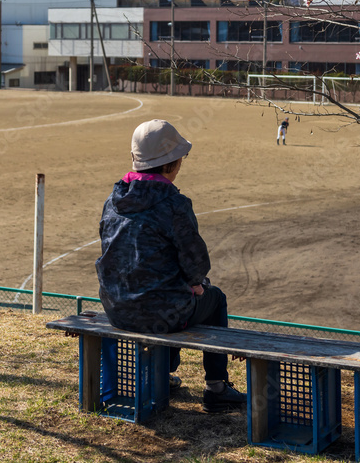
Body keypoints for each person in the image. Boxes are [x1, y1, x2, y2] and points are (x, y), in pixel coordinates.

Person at [96, 119, 247, 413]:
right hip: (160, 312)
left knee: (171, 295)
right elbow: (197, 264)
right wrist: (197, 284)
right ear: (171, 164)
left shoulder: (113, 200)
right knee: (213, 298)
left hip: (116, 308)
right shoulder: (174, 204)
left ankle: (163, 376)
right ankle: (217, 387)